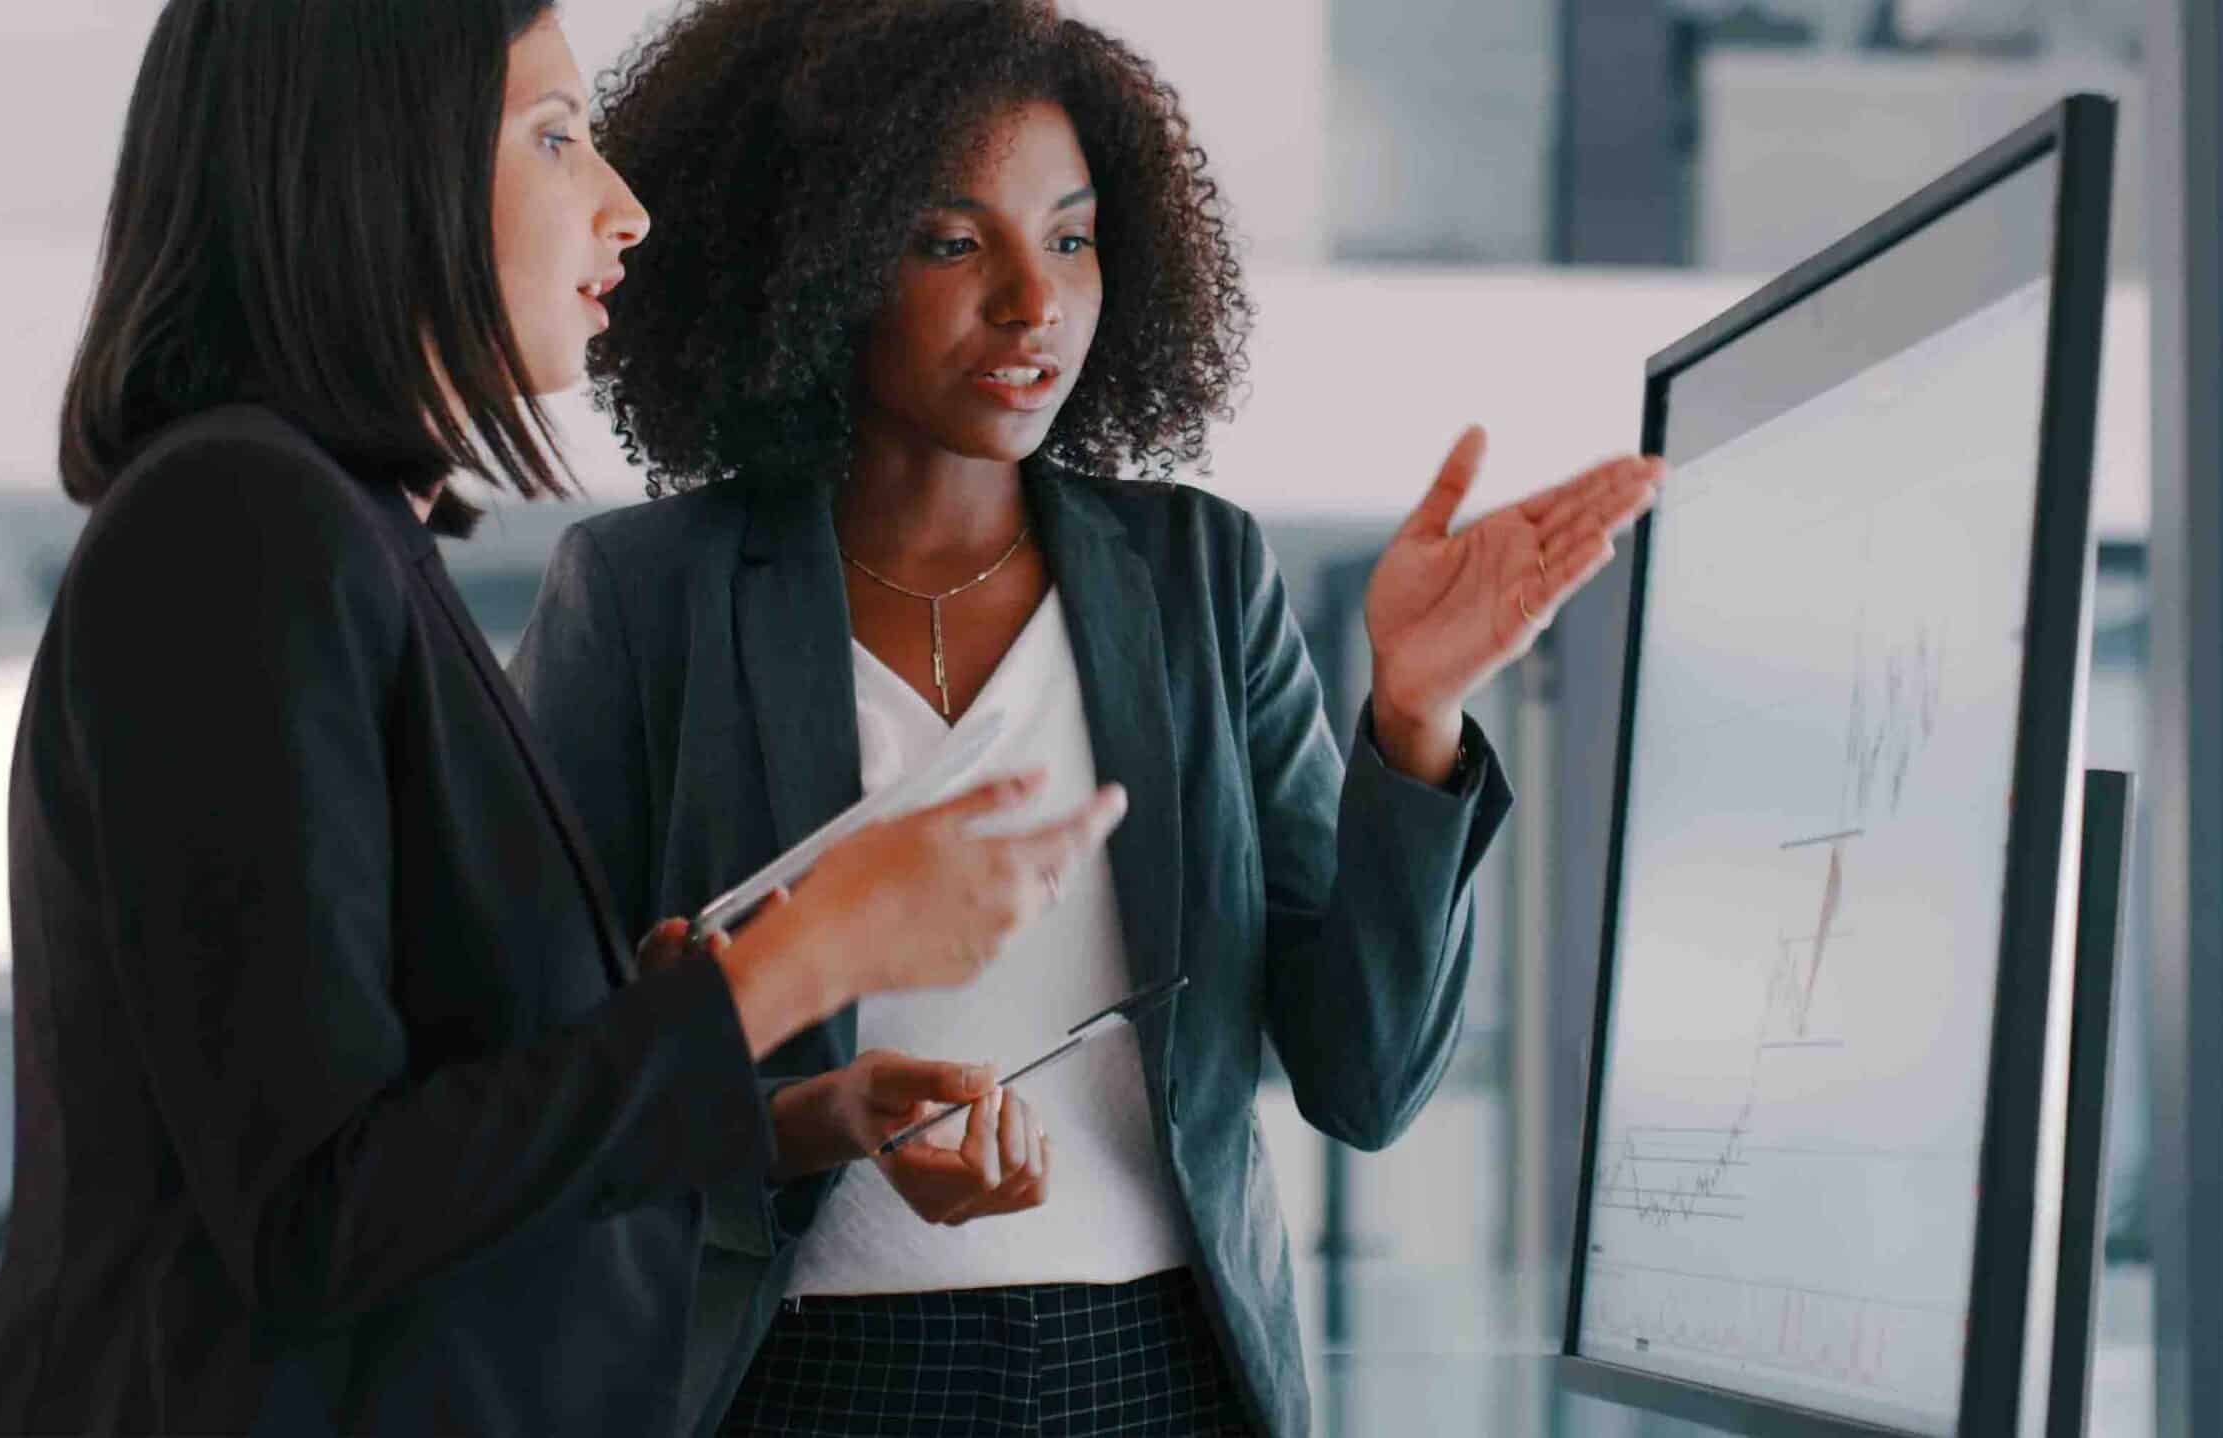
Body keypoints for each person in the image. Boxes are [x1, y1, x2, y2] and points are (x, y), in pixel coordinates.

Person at [511, 1, 1662, 1433]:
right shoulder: (643, 595)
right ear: (812, 257)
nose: (1031, 302)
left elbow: (1364, 1080)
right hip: (788, 1382)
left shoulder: (1197, 574)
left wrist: (1416, 718)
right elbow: (537, 1084)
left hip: (1163, 1377)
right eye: (952, 241)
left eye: (1069, 236)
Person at [0, 1, 1121, 1431]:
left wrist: (791, 1118)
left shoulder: (349, 539)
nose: (625, 209)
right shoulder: (240, 528)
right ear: (374, 163)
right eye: (556, 139)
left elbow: (432, 1142)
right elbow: (317, 1216)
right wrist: (809, 953)